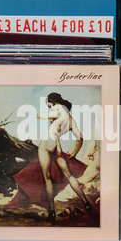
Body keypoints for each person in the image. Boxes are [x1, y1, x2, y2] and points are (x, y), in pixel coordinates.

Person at [37, 92, 93, 224]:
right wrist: (74, 152)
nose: (50, 105)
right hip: (58, 146)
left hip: (47, 143)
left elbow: (38, 115)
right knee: (69, 175)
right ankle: (86, 203)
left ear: (54, 101)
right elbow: (80, 138)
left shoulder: (56, 110)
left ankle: (51, 211)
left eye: (51, 102)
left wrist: (48, 114)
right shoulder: (70, 119)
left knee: (47, 177)